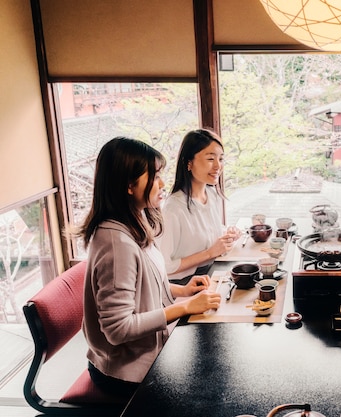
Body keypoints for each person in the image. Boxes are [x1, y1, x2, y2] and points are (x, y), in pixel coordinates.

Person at [75, 137, 221, 400]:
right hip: (125, 374)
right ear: (129, 185)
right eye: (154, 177)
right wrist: (184, 307)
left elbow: (143, 285)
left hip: (146, 356)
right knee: (209, 388)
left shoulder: (133, 221)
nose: (162, 184)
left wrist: (182, 290)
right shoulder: (115, 242)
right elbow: (118, 329)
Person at [158, 129, 240, 285]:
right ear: (189, 163)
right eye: (210, 159)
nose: (218, 166)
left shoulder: (212, 195)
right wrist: (210, 253)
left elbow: (203, 234)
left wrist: (228, 234)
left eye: (221, 159)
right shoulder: (173, 209)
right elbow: (164, 266)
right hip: (183, 285)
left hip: (211, 273)